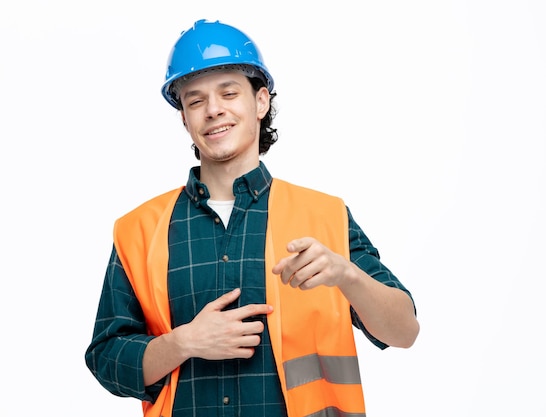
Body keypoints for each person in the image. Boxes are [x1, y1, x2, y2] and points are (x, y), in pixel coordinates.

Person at [85, 19, 419, 417]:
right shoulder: (139, 230)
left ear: (261, 102)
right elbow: (106, 358)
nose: (213, 110)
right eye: (195, 100)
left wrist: (346, 275)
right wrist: (184, 342)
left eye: (229, 93)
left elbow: (404, 331)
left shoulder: (323, 215)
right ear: (184, 119)